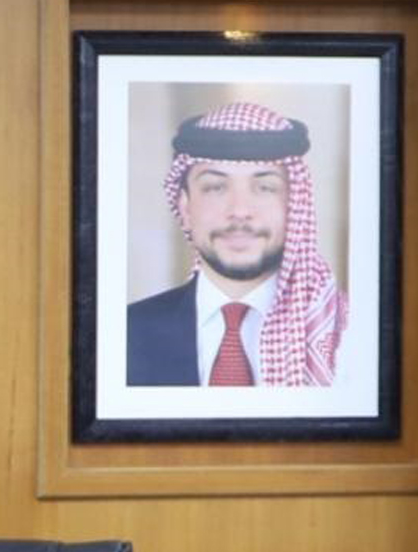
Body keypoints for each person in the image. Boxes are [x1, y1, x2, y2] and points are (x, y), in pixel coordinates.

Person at [126, 100, 348, 387]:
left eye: (265, 188)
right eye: (215, 187)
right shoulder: (124, 334)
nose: (240, 210)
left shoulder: (347, 335)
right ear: (185, 207)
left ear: (295, 206)